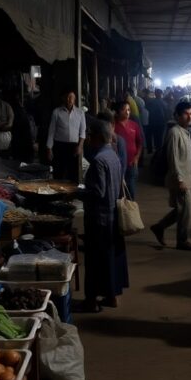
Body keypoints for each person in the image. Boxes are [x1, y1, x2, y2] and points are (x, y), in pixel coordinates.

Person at [81, 118, 128, 312]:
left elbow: (97, 192)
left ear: (99, 137)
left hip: (98, 219)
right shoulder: (113, 155)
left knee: (94, 262)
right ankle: (111, 296)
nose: (88, 138)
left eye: (91, 135)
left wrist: (77, 192)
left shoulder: (98, 160)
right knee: (108, 260)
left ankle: (91, 301)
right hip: (112, 217)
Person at [150, 101, 191, 251]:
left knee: (182, 210)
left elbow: (186, 158)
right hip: (178, 178)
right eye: (186, 114)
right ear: (177, 116)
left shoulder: (185, 132)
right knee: (186, 210)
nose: (189, 117)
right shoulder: (174, 132)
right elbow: (173, 158)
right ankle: (182, 240)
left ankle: (159, 227)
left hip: (186, 176)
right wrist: (179, 179)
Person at [46, 91, 86, 182]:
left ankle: (72, 194)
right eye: (67, 97)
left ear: (75, 98)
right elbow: (51, 131)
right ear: (63, 98)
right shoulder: (56, 112)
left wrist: (80, 146)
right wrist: (49, 148)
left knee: (73, 174)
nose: (69, 99)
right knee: (59, 172)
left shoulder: (80, 113)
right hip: (59, 146)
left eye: (71, 97)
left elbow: (82, 132)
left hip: (74, 147)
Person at [112, 100, 145, 200]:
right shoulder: (113, 126)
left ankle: (130, 210)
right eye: (124, 110)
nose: (127, 112)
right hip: (118, 164)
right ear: (117, 112)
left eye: (129, 110)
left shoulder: (134, 125)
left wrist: (137, 157)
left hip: (132, 163)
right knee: (118, 189)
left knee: (131, 188)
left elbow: (140, 143)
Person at [145, 89, 168, 153]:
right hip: (161, 123)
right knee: (159, 137)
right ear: (161, 94)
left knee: (149, 136)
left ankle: (150, 150)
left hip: (151, 122)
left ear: (155, 94)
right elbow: (167, 113)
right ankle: (158, 150)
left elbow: (146, 108)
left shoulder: (150, 102)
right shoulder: (164, 103)